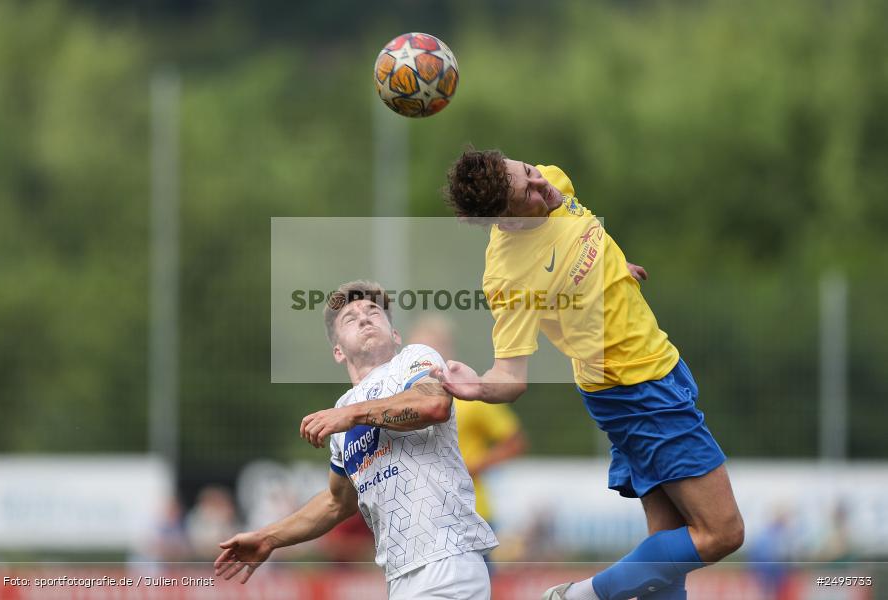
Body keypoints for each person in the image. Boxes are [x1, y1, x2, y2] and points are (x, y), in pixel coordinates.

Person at [433, 149, 744, 600]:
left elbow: (580, 242)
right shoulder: (510, 276)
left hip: (658, 367)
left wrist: (615, 269)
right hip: (634, 390)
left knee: (668, 547)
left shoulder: (549, 179)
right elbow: (511, 376)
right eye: (527, 194)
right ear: (506, 221)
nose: (541, 186)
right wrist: (478, 386)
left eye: (529, 172)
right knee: (722, 533)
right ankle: (581, 595)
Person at [214, 280, 497, 600]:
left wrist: (352, 415)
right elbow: (337, 502)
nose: (364, 318)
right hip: (400, 576)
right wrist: (269, 538)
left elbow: (433, 405)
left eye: (374, 312)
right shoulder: (342, 412)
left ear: (395, 335)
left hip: (449, 559)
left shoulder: (413, 359)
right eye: (350, 318)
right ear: (338, 351)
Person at [409, 315, 528, 534]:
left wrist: (470, 467)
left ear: (448, 349)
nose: (424, 359)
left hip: (470, 511)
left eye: (433, 348)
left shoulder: (468, 394)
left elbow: (515, 442)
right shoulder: (401, 399)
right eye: (419, 350)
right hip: (419, 516)